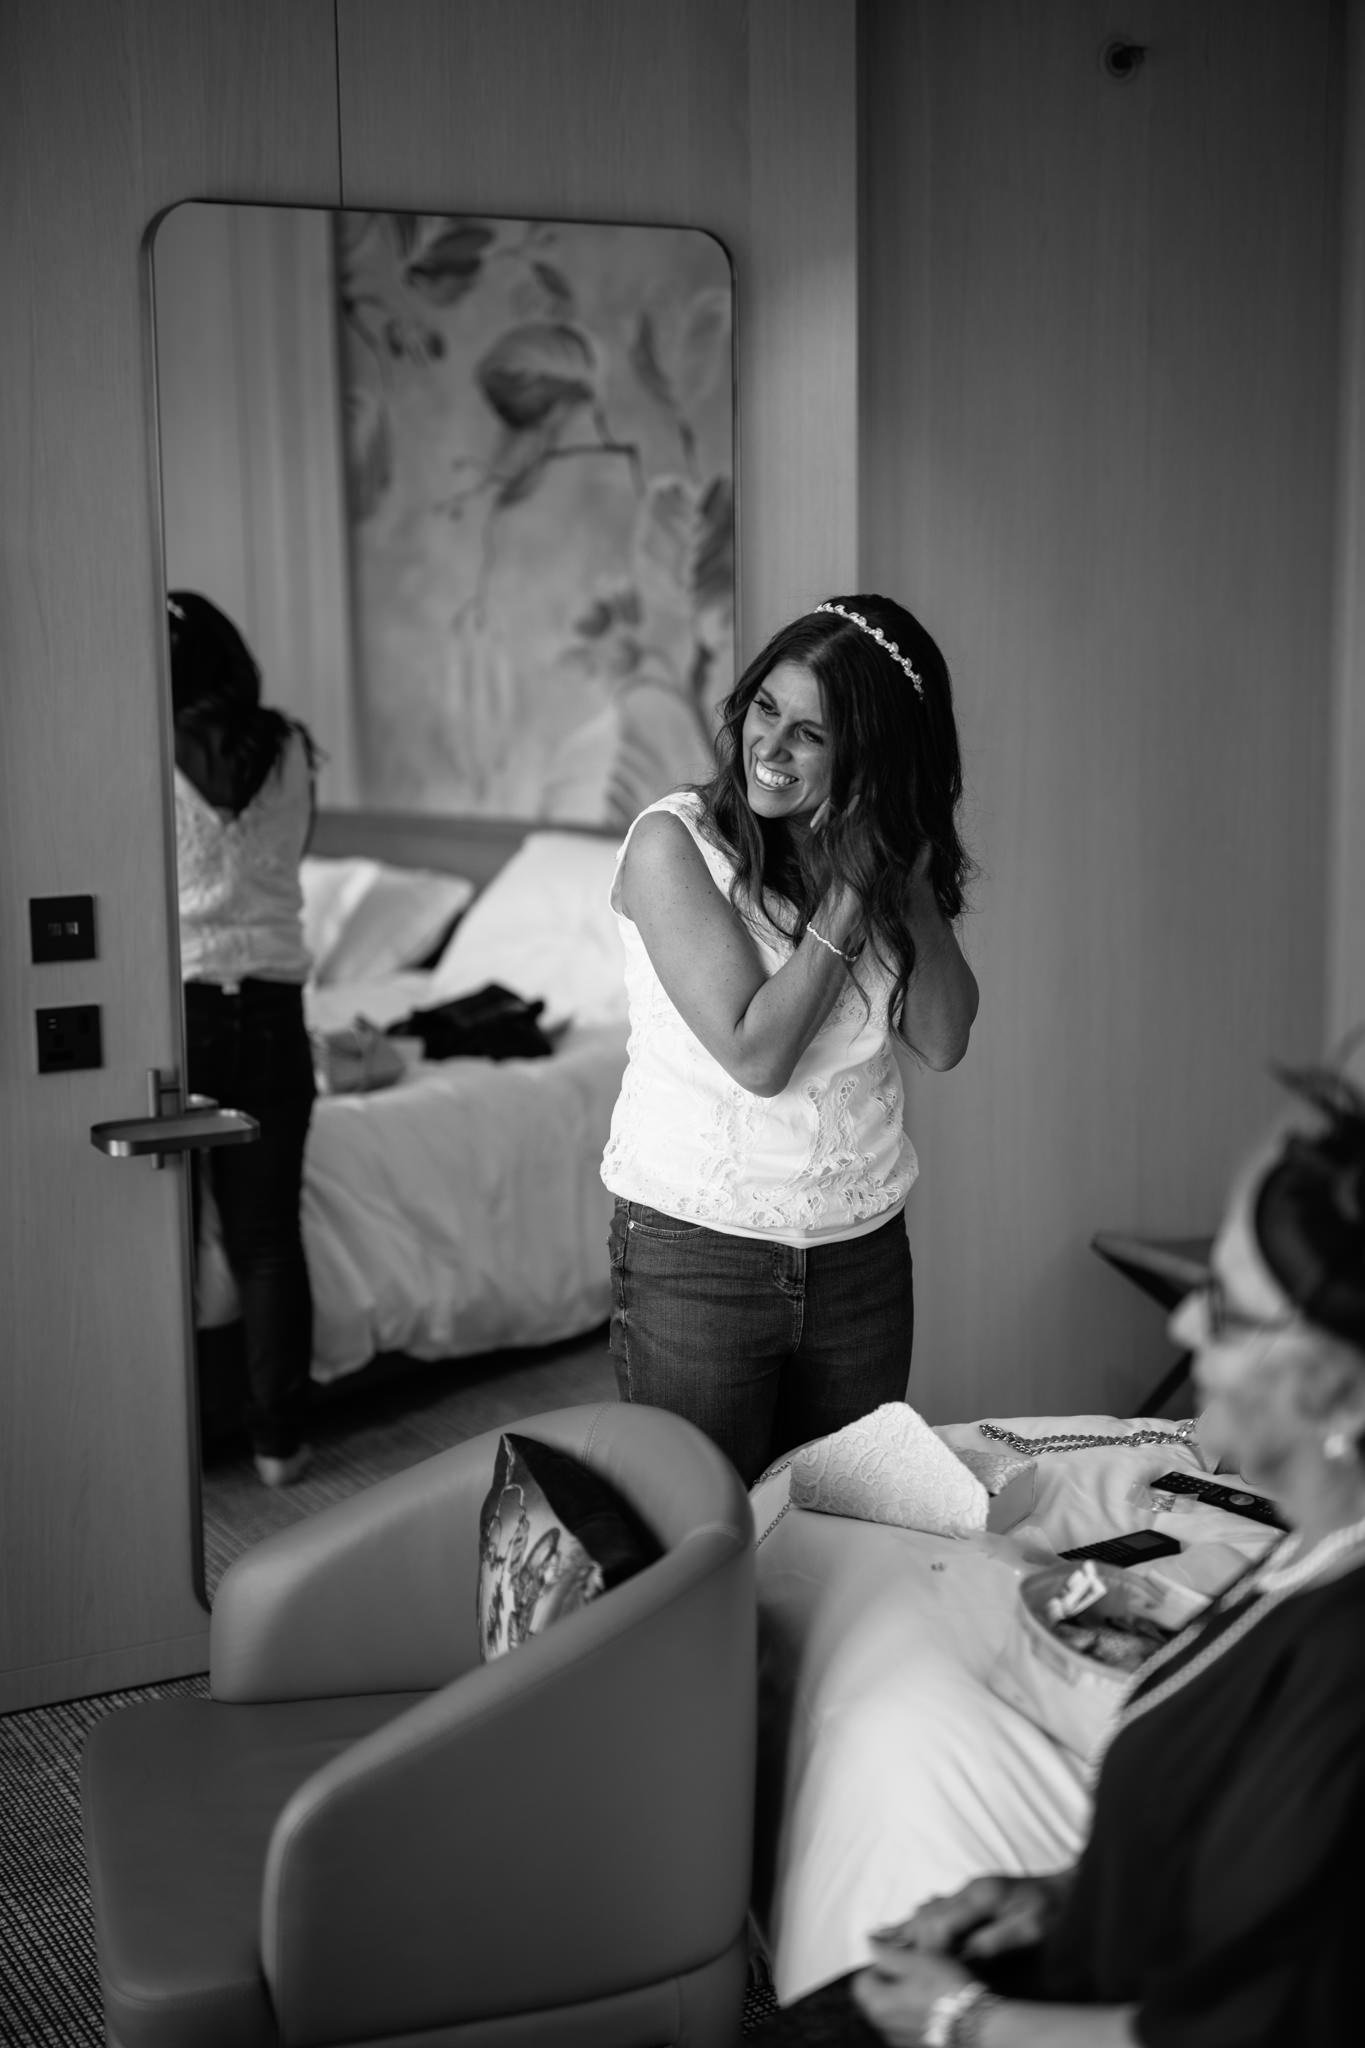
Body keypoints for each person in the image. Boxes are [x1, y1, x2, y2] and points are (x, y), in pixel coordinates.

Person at [752, 1054, 1365, 2047]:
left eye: (1230, 1307)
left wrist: (967, 2018)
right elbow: (1250, 1856)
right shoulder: (1309, 1559)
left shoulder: (1343, 1663)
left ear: (1340, 1394)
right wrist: (1058, 1892)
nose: (1180, 1319)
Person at [600, 594, 979, 1486]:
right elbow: (756, 1057)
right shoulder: (674, 845)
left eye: (810, 733)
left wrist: (910, 880)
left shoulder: (871, 849)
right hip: (699, 1259)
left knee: (842, 1539)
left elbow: (944, 1038)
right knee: (704, 1544)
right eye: (765, 709)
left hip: (863, 1258)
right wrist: (849, 897)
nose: (768, 748)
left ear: (870, 757)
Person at [168, 590, 319, 1488]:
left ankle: (172, 1433)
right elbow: (292, 860)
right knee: (267, 1238)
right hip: (270, 1009)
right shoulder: (291, 746)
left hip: (177, 1010)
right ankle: (280, 1445)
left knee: (165, 1234)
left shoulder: (144, 749)